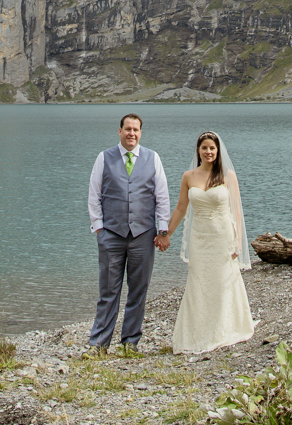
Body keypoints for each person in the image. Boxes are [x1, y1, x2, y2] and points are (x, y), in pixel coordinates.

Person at [87, 113, 171, 351]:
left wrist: (163, 230)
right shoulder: (104, 158)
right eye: (127, 129)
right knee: (108, 291)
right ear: (120, 131)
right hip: (111, 235)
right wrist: (99, 228)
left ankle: (130, 343)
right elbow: (94, 195)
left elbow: (162, 197)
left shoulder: (153, 158)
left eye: (136, 130)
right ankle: (99, 344)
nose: (131, 133)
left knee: (138, 290)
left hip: (143, 235)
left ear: (140, 133)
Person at [166, 131, 255, 353]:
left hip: (222, 236)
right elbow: (180, 208)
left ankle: (225, 328)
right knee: (199, 281)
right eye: (204, 148)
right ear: (198, 150)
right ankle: (198, 332)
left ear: (218, 151)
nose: (208, 152)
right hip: (200, 237)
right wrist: (166, 234)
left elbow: (237, 212)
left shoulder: (228, 176)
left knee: (223, 280)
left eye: (212, 148)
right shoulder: (188, 176)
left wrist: (238, 243)